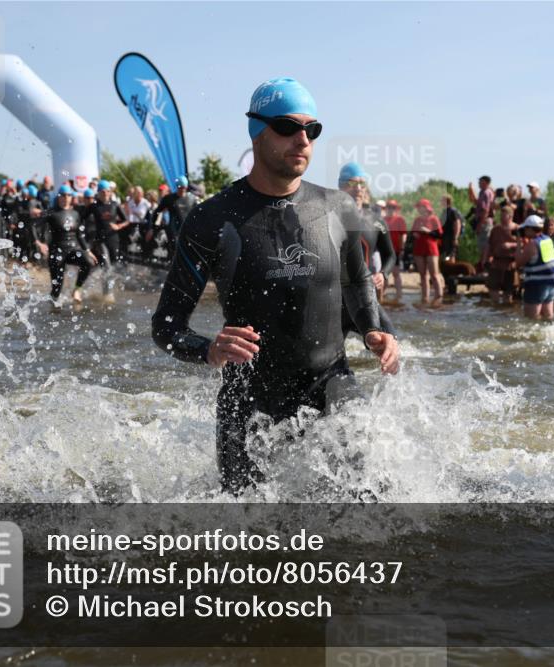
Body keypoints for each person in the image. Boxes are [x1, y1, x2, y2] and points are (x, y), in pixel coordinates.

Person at [151, 77, 398, 495]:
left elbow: (357, 283)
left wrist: (374, 328)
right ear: (257, 131)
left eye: (312, 130)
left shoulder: (338, 208)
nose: (302, 139)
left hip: (331, 383)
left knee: (370, 506)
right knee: (245, 533)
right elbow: (166, 325)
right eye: (287, 127)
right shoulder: (212, 220)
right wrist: (208, 349)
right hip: (249, 397)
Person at [337, 162, 397, 336]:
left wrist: (383, 274)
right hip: (333, 300)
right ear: (341, 186)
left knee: (391, 344)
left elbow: (390, 255)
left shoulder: (375, 220)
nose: (358, 189)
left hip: (363, 297)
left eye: (362, 184)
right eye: (352, 183)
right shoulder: (328, 216)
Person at [33, 184, 97, 305]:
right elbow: (33, 226)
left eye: (68, 195)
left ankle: (77, 289)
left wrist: (88, 251)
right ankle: (52, 309)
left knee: (88, 262)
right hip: (57, 252)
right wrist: (39, 243)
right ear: (59, 197)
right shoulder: (51, 212)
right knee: (57, 289)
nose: (66, 197)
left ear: (71, 197)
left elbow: (80, 234)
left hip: (73, 249)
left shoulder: (75, 213)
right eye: (63, 195)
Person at [84, 180, 128, 300]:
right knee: (107, 265)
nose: (105, 194)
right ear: (98, 192)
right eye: (102, 191)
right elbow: (82, 218)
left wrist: (118, 226)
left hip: (113, 239)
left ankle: (106, 287)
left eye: (107, 191)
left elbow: (127, 220)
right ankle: (107, 294)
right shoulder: (94, 206)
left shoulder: (115, 205)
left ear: (110, 192)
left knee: (113, 266)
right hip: (100, 240)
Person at [515, 214, 554, 319]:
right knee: (547, 317)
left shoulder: (532, 244)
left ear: (530, 229)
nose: (524, 231)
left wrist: (518, 242)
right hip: (551, 284)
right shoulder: (547, 240)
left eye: (525, 229)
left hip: (537, 285)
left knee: (531, 320)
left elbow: (518, 262)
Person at [410, 198, 444, 307]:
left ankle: (439, 296)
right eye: (418, 207)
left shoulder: (434, 219)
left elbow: (439, 234)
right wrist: (415, 234)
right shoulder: (417, 220)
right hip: (419, 249)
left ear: (426, 207)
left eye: (421, 206)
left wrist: (428, 231)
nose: (419, 209)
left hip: (431, 248)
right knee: (423, 275)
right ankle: (425, 298)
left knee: (434, 274)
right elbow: (412, 233)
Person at [486, 202, 519, 305]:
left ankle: (506, 313)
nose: (501, 217)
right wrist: (487, 258)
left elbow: (524, 245)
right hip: (496, 263)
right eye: (500, 215)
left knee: (508, 294)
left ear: (510, 216)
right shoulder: (496, 229)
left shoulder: (517, 229)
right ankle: (496, 313)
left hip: (510, 263)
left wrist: (511, 245)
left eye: (503, 215)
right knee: (493, 290)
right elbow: (489, 245)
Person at [383, 199, 407, 302]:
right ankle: (382, 295)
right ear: (386, 208)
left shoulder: (400, 219)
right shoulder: (382, 219)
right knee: (384, 273)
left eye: (393, 207)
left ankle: (399, 295)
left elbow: (403, 235)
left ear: (396, 209)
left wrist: (402, 248)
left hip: (396, 250)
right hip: (383, 250)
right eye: (389, 207)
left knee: (396, 273)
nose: (391, 209)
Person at [439, 194, 463, 262]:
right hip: (445, 236)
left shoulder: (452, 211)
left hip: (451, 236)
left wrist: (455, 238)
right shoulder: (444, 211)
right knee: (447, 254)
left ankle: (452, 270)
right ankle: (449, 269)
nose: (440, 202)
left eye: (442, 200)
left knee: (451, 254)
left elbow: (457, 224)